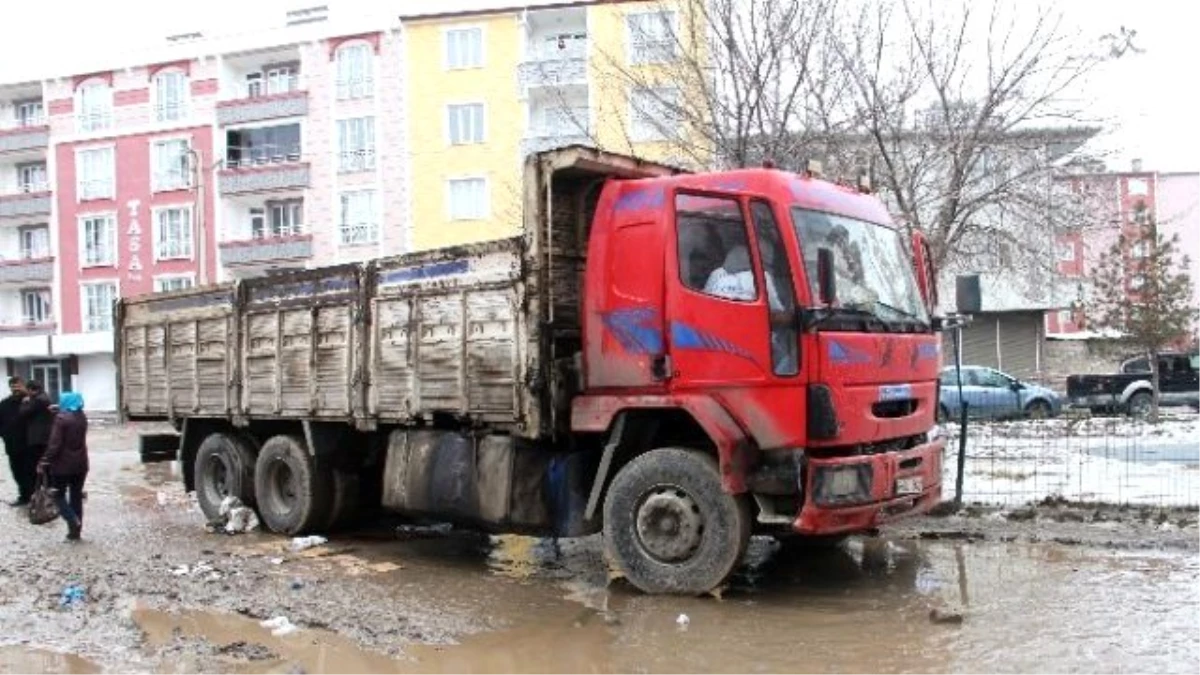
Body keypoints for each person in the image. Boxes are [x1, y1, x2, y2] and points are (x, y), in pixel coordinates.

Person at [39, 391, 88, 541]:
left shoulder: (61, 420)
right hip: (81, 465)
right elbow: (69, 418)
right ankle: (75, 532)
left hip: (62, 465)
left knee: (57, 495)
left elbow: (54, 444)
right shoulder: (82, 417)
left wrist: (44, 461)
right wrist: (57, 411)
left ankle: (71, 519)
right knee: (76, 497)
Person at [18, 380, 55, 501]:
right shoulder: (45, 398)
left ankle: (41, 489)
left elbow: (23, 413)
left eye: (28, 390)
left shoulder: (37, 400)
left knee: (38, 464)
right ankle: (47, 487)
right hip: (45, 437)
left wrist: (24, 403)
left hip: (38, 438)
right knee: (45, 464)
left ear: (31, 390)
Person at [0, 376, 30, 505]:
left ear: (23, 386)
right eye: (13, 386)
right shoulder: (4, 403)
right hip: (12, 445)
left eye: (18, 386)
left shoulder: (31, 402)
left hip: (30, 444)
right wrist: (5, 434)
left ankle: (36, 497)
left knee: (32, 472)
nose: (15, 389)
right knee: (17, 472)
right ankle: (24, 496)